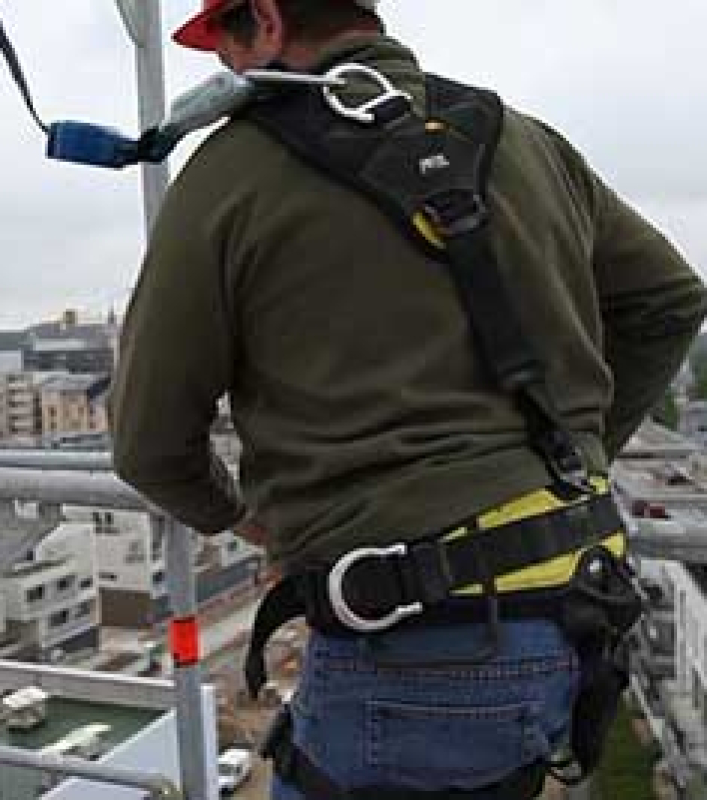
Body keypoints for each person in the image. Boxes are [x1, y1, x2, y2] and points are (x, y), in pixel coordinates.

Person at [109, 1, 707, 797]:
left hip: (414, 643)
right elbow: (668, 300)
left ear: (268, 20)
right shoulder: (520, 139)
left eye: (226, 43)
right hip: (578, 599)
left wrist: (241, 517)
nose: (225, 72)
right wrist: (576, 453)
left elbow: (149, 442)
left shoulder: (234, 168)